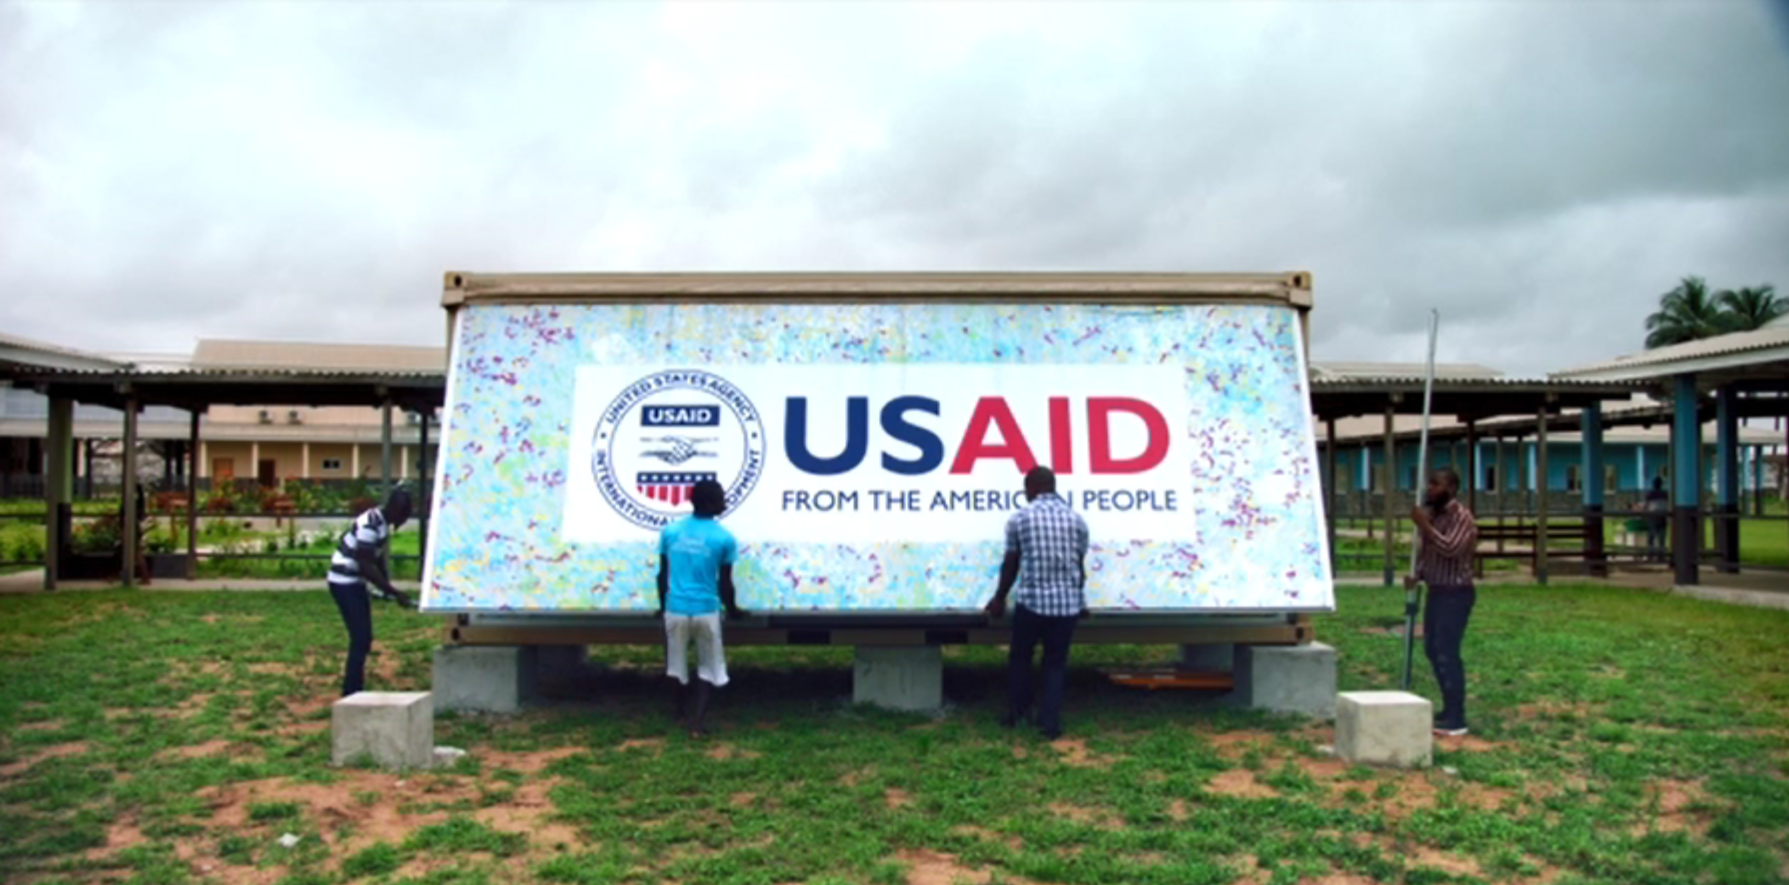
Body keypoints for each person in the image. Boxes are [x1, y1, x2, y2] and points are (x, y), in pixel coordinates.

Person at [985, 466, 1090, 740]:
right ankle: (1049, 724)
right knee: (1055, 663)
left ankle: (1019, 715)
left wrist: (999, 599)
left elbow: (1011, 563)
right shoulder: (1076, 520)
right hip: (1066, 606)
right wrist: (1081, 601)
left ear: (1031, 487)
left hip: (1032, 603)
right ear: (1052, 486)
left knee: (1020, 658)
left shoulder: (1020, 519)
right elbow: (1078, 566)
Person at [658, 479, 748, 738]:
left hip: (675, 608)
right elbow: (725, 584)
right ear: (710, 502)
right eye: (721, 498)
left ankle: (677, 712)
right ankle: (696, 724)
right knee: (708, 667)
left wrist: (662, 607)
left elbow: (662, 575)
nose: (725, 502)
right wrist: (733, 610)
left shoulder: (671, 532)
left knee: (675, 665)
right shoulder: (724, 538)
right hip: (706, 610)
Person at [1407, 467, 1479, 737]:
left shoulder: (1461, 517)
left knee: (1447, 652)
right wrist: (1418, 575)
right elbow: (1431, 553)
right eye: (1430, 484)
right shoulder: (1435, 516)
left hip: (1455, 593)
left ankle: (1457, 717)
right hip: (1436, 590)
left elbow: (1450, 549)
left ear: (1450, 488)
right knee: (1433, 649)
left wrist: (1424, 525)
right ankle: (1448, 709)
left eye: (1436, 484)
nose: (1430, 489)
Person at [326, 488, 415, 697]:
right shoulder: (370, 524)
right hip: (343, 581)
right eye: (402, 515)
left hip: (354, 581)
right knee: (360, 637)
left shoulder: (382, 523)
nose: (402, 520)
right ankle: (351, 691)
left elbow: (376, 559)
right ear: (393, 509)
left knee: (364, 638)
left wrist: (387, 588)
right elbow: (365, 564)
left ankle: (355, 687)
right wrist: (393, 591)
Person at [1643, 476, 1669, 562]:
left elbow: (1646, 506)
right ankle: (1661, 555)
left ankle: (1651, 555)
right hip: (1662, 516)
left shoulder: (1650, 494)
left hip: (1653, 516)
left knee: (1651, 536)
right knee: (1662, 537)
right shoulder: (1665, 494)